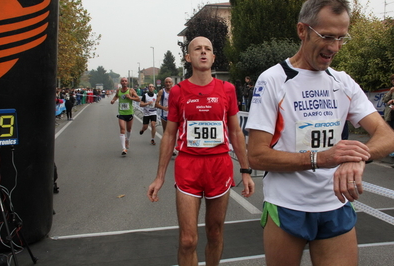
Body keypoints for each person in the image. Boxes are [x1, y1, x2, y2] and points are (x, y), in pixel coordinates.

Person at [246, 1, 394, 265]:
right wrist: (319, 158)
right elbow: (256, 156)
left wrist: (358, 156)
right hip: (287, 205)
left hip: (335, 204)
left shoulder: (343, 82)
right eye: (326, 36)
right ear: (302, 30)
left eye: (341, 38)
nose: (334, 47)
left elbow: (387, 135)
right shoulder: (273, 80)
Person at [147, 36, 255, 266]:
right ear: (189, 57)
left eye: (208, 49)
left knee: (215, 234)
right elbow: (169, 135)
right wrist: (159, 176)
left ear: (213, 57)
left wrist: (245, 170)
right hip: (188, 167)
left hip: (219, 167)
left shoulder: (227, 89)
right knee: (187, 240)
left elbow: (236, 131)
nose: (203, 52)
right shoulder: (177, 91)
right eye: (198, 49)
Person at [111, 77, 140, 155]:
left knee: (129, 129)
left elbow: (138, 99)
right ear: (121, 82)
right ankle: (124, 148)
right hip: (121, 113)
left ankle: (128, 140)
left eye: (125, 81)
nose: (124, 82)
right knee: (122, 129)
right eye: (122, 81)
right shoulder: (118, 90)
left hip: (129, 113)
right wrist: (113, 100)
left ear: (127, 83)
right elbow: (116, 96)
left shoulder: (131, 90)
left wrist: (130, 97)